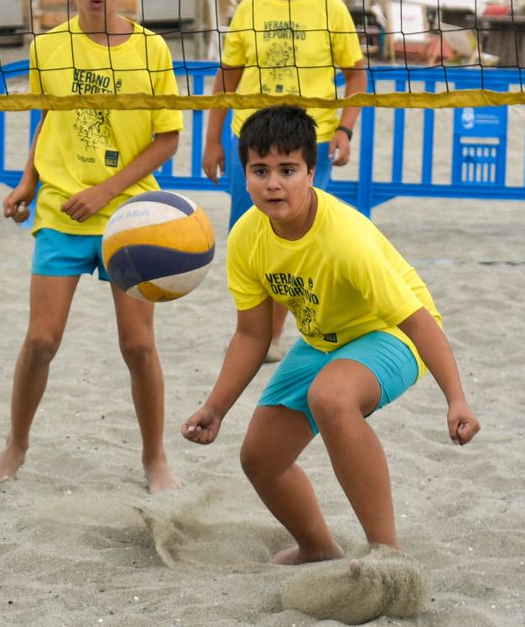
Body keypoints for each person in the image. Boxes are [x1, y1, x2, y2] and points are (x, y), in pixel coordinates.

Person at [182, 105, 478, 560]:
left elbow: (417, 320)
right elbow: (251, 336)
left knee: (331, 397)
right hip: (325, 340)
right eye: (260, 170)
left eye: (288, 169)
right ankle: (319, 550)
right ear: (244, 176)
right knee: (260, 459)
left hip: (393, 335)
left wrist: (455, 398)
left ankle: (387, 556)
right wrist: (215, 407)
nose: (273, 183)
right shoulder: (246, 237)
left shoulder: (344, 239)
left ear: (311, 173)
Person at [0, 0, 184, 495]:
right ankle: (15, 446)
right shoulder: (48, 47)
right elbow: (49, 120)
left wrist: (106, 189)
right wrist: (25, 182)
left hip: (130, 215)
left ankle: (155, 459)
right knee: (42, 340)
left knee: (138, 346)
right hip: (62, 209)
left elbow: (167, 140)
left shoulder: (152, 49)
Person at [202, 0, 367, 360]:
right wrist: (211, 140)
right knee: (250, 240)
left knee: (303, 237)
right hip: (251, 143)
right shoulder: (249, 9)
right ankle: (259, 335)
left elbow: (356, 74)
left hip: (307, 144)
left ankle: (279, 336)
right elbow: (226, 80)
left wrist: (347, 131)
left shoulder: (331, 9)